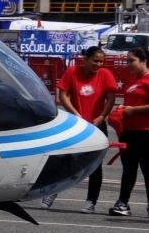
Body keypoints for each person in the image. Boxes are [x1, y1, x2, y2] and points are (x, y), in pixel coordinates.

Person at [44, 45, 117, 212]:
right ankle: (52, 191)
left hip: (97, 124)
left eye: (101, 61)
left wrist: (101, 117)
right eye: (95, 60)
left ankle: (91, 201)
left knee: (95, 165)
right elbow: (62, 94)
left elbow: (111, 98)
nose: (98, 64)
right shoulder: (73, 72)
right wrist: (76, 113)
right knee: (65, 159)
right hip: (76, 123)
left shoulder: (105, 74)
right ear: (86, 59)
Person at [108, 47, 149, 217]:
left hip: (146, 132)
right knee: (128, 170)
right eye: (127, 60)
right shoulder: (133, 81)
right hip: (129, 132)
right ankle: (123, 203)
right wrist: (122, 110)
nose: (128, 64)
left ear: (143, 60)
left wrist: (133, 111)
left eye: (131, 60)